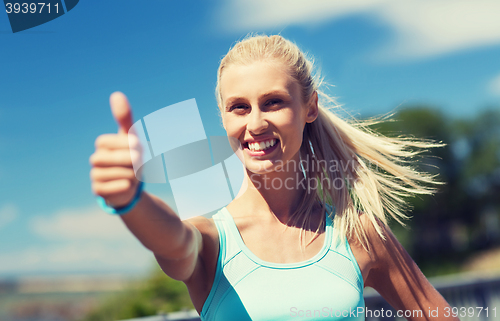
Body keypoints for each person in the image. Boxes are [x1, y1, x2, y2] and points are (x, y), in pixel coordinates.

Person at [90, 35, 460, 320]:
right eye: (239, 107)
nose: (255, 124)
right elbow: (171, 241)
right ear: (223, 119)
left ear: (309, 108)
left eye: (273, 102)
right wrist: (130, 201)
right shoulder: (210, 241)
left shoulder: (359, 233)